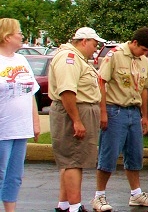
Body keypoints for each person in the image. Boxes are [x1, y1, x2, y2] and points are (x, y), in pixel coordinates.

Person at [92, 27, 148, 211]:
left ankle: (136, 193)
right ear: (134, 43)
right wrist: (103, 112)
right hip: (115, 109)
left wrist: (144, 116)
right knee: (109, 154)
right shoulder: (115, 56)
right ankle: (99, 196)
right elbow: (101, 83)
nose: (145, 53)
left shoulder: (143, 61)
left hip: (133, 111)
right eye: (143, 49)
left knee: (135, 154)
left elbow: (144, 89)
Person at [48, 27, 103, 212]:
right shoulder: (68, 58)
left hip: (81, 110)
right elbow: (67, 91)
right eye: (94, 44)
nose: (95, 49)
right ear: (84, 41)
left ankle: (64, 205)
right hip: (73, 112)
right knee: (73, 160)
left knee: (71, 160)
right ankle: (75, 206)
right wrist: (76, 120)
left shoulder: (78, 59)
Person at [0, 18, 40, 212]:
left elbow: (30, 92)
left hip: (20, 128)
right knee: (0, 173)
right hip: (2, 129)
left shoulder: (22, 60)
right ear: (7, 37)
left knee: (15, 175)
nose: (22, 35)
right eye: (19, 32)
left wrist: (35, 122)